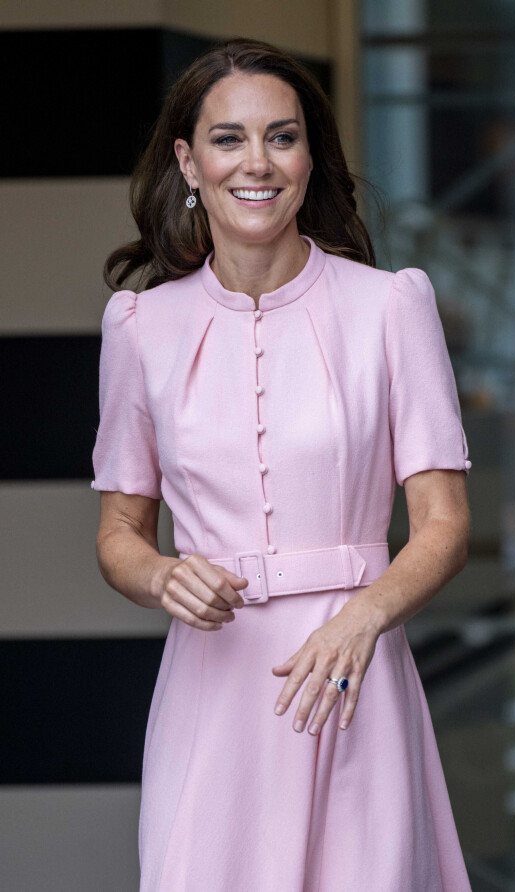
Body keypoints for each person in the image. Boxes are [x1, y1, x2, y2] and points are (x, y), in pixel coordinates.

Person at [92, 36, 473, 892]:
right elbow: (118, 531)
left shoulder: (390, 308)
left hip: (353, 678)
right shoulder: (139, 329)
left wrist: (365, 616)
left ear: (309, 156)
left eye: (282, 136)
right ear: (188, 161)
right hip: (211, 689)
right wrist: (159, 578)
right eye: (228, 139)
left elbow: (444, 522)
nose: (256, 162)